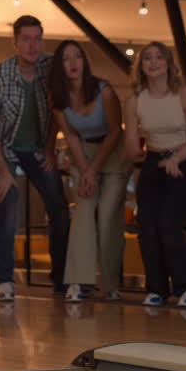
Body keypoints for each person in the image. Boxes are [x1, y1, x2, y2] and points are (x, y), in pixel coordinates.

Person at [0, 15, 70, 301]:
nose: (33, 45)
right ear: (15, 42)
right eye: (26, 39)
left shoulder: (50, 69)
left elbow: (58, 111)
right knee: (8, 209)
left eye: (37, 38)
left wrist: (49, 148)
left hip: (38, 150)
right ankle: (4, 281)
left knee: (59, 209)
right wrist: (4, 172)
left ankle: (62, 280)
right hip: (4, 149)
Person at [123, 41, 186, 309]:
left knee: (169, 222)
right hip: (154, 163)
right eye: (148, 58)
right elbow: (133, 143)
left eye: (159, 57)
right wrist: (134, 151)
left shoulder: (184, 94)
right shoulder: (135, 100)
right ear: (141, 66)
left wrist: (177, 158)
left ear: (169, 63)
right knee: (147, 225)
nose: (154, 62)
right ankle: (156, 289)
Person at [48, 40, 128, 303]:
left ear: (85, 61)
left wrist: (93, 170)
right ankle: (78, 282)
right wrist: (85, 171)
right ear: (60, 66)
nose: (73, 63)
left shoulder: (104, 91)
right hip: (82, 155)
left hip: (113, 153)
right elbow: (69, 135)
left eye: (77, 57)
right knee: (82, 213)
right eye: (66, 59)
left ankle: (110, 284)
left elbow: (116, 131)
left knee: (107, 218)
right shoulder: (58, 98)